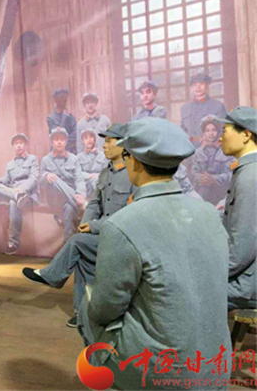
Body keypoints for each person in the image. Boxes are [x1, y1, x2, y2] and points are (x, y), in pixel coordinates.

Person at [77, 118, 231, 390]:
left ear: (134, 163)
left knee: (87, 307)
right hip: (215, 365)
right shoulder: (208, 213)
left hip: (163, 372)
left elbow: (105, 308)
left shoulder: (122, 224)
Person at [22, 124, 133, 328]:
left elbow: (129, 215)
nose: (104, 145)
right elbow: (95, 204)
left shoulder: (134, 174)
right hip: (103, 233)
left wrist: (94, 226)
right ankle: (83, 314)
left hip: (123, 237)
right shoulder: (105, 173)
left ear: (123, 145)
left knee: (78, 242)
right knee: (81, 254)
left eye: (109, 141)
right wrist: (85, 224)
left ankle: (51, 276)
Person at [215, 107, 256, 310]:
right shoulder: (247, 171)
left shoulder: (250, 176)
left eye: (224, 131)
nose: (220, 138)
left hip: (247, 286)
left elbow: (243, 246)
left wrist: (211, 272)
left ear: (246, 135)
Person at [0, 133, 39, 255]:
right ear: (13, 146)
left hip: (28, 195)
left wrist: (22, 190)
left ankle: (13, 243)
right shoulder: (10, 164)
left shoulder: (32, 159)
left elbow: (34, 179)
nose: (18, 145)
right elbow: (6, 180)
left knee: (13, 203)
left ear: (25, 145)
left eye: (21, 143)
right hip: (14, 192)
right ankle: (16, 196)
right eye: (16, 143)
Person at [40, 128, 86, 242]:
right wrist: (46, 175)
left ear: (66, 142)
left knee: (69, 208)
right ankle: (83, 206)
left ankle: (68, 244)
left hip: (69, 199)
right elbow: (40, 183)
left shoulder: (73, 159)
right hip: (54, 198)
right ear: (52, 142)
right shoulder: (45, 160)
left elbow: (79, 178)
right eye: (56, 139)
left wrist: (80, 193)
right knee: (54, 179)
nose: (59, 142)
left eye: (62, 139)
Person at [191, 115, 233, 205]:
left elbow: (232, 174)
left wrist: (214, 179)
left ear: (218, 132)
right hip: (202, 192)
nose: (211, 133)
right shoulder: (197, 153)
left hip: (222, 193)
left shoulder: (227, 151)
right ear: (204, 133)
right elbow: (194, 172)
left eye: (214, 130)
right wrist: (201, 179)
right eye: (207, 130)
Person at [181, 73, 226, 146]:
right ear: (191, 88)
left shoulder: (218, 106)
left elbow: (222, 129)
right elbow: (183, 130)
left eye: (201, 84)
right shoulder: (184, 108)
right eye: (194, 85)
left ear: (207, 86)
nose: (198, 87)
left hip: (210, 147)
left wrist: (211, 142)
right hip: (188, 147)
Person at [77, 128, 108, 197]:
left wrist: (96, 176)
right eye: (86, 138)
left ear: (95, 139)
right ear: (82, 141)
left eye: (91, 137)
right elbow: (77, 173)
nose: (89, 140)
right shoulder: (79, 157)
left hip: (100, 183)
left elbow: (106, 172)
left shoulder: (103, 155)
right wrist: (89, 176)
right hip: (86, 186)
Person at [47, 88, 77, 154]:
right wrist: (64, 118)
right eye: (61, 99)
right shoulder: (51, 118)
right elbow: (57, 134)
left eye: (65, 100)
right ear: (56, 101)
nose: (64, 102)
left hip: (70, 149)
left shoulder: (70, 116)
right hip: (57, 150)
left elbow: (76, 133)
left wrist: (66, 142)